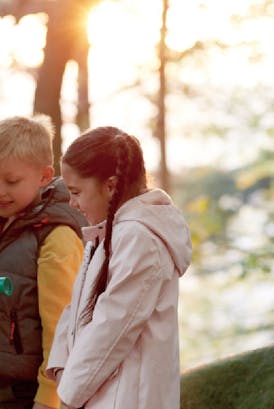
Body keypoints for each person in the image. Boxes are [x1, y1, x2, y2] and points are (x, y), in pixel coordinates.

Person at [47, 126, 192, 409]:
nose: (71, 203)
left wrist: (68, 396)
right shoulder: (107, 233)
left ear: (111, 186)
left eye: (75, 192)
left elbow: (113, 326)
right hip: (97, 395)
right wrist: (63, 370)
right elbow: (75, 309)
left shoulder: (139, 239)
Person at [0, 116, 87, 409]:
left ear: (44, 176)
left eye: (11, 181)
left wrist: (49, 397)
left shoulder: (56, 237)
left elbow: (62, 327)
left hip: (26, 394)